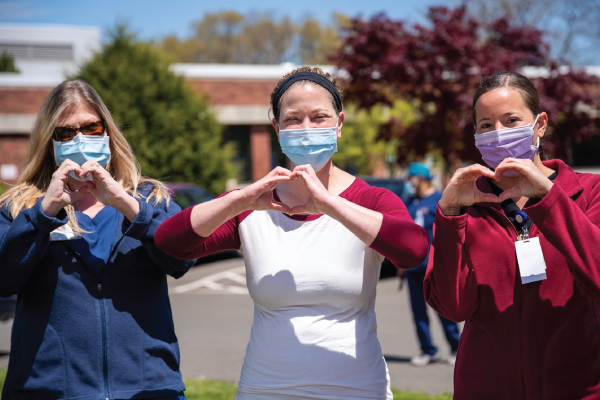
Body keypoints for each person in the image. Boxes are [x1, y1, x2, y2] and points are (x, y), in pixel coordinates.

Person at [155, 67, 429, 400]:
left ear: (339, 125)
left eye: (319, 117)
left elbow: (413, 249)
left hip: (356, 388)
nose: (306, 129)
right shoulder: (253, 206)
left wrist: (329, 204)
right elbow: (170, 242)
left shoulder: (371, 200)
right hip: (265, 389)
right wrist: (240, 199)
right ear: (277, 127)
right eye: (293, 119)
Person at [0, 80, 194, 400]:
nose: (79, 139)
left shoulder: (150, 198)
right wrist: (45, 211)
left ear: (107, 132)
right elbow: (4, 280)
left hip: (148, 389)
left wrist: (125, 203)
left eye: (91, 127)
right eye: (65, 132)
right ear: (50, 142)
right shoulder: (19, 207)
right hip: (49, 390)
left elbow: (182, 260)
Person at [424, 71, 600, 399]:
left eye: (511, 120)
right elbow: (453, 307)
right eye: (486, 125)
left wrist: (549, 199)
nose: (499, 134)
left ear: (540, 124)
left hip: (577, 389)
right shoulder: (466, 204)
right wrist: (450, 216)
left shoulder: (589, 192)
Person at [404, 162, 460, 367]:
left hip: (435, 267)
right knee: (418, 312)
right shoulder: (410, 202)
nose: (409, 182)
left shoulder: (439, 200)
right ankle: (428, 350)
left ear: (421, 178)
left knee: (444, 310)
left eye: (412, 177)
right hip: (412, 268)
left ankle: (456, 348)